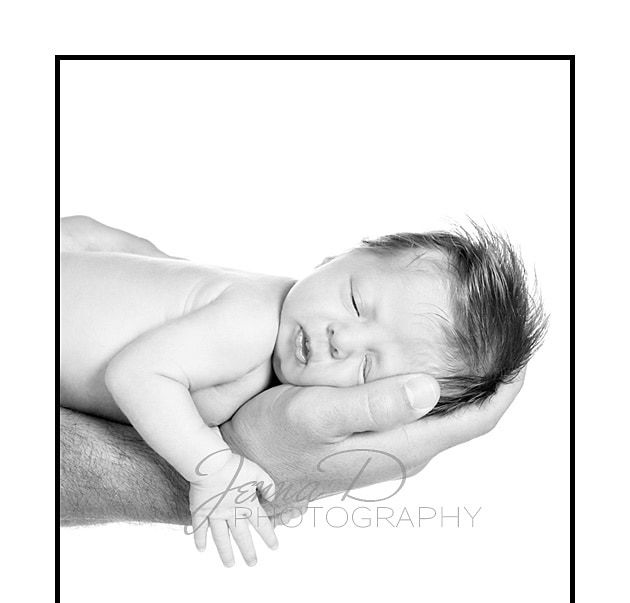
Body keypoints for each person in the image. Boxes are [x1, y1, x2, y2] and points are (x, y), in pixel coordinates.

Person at [60, 216, 536, 566]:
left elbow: (100, 242)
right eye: (355, 301)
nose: (342, 338)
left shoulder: (261, 311)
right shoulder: (250, 328)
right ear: (335, 258)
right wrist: (215, 467)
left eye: (367, 368)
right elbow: (136, 375)